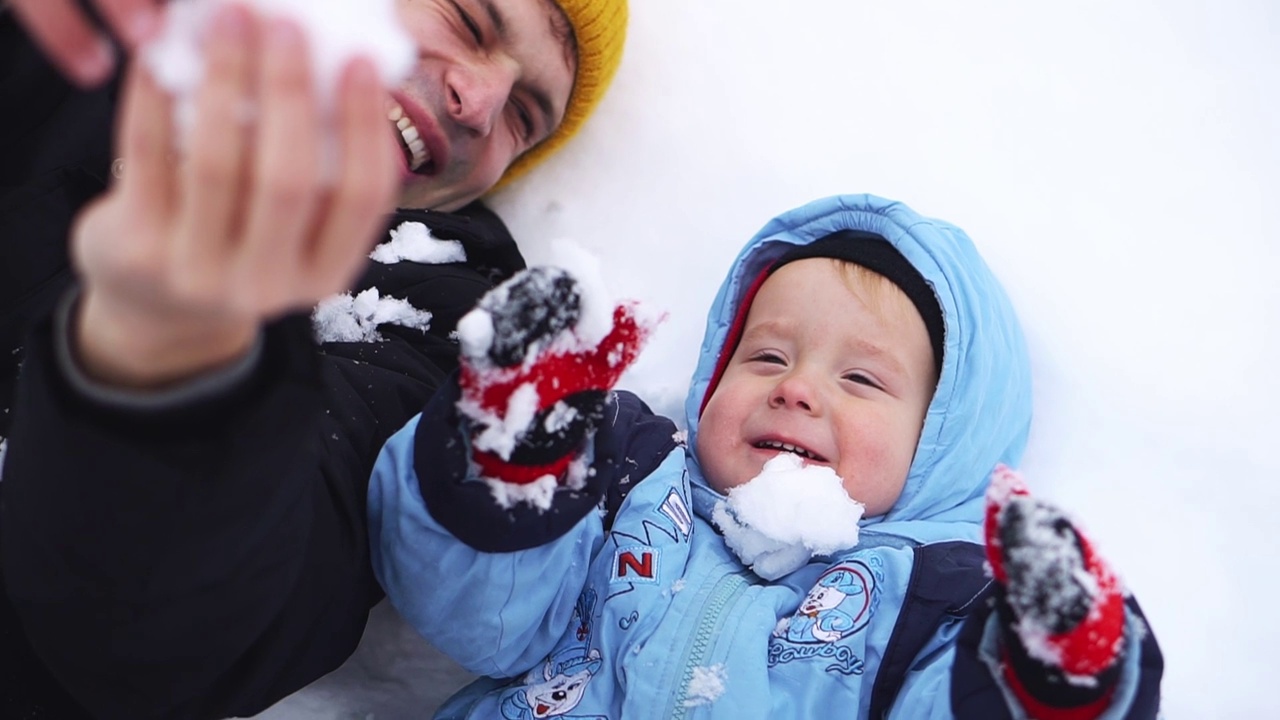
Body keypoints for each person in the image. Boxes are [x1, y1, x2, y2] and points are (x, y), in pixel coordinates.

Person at [0, 1, 627, 718]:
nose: (481, 104)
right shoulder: (80, 36)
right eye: (467, 17)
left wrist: (180, 366)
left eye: (524, 117)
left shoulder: (444, 325)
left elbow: (187, 635)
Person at [368, 193, 1165, 717]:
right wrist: (514, 460)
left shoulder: (934, 603)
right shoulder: (628, 480)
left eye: (859, 377)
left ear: (939, 444)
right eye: (767, 358)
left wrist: (1053, 672)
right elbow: (479, 616)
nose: (799, 390)